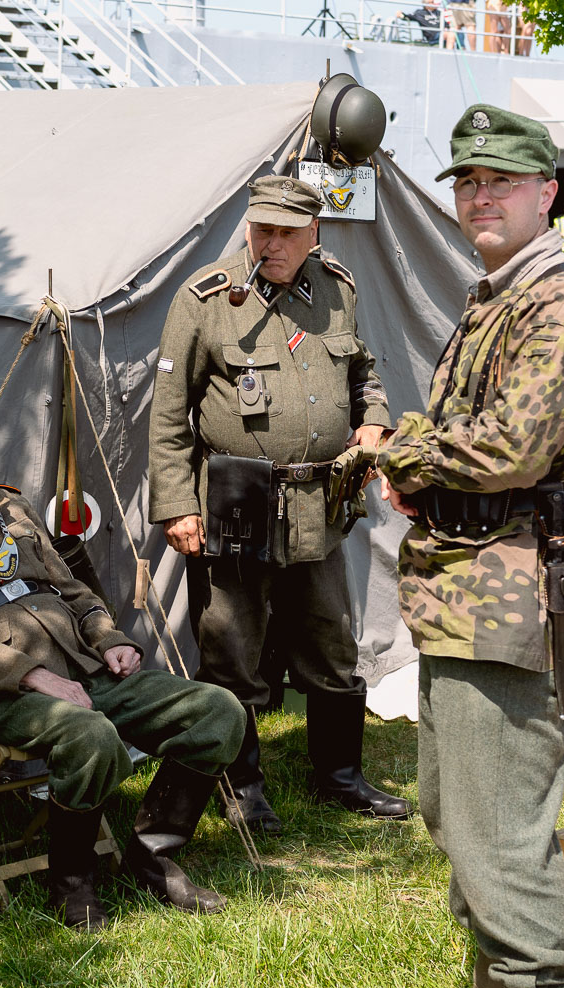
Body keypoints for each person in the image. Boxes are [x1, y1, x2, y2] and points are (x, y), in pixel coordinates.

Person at [375, 104, 564, 988]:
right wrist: (423, 451)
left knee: (499, 823)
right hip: (465, 583)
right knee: (452, 804)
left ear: (546, 195)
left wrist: (399, 450)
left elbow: (506, 452)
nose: (478, 197)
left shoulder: (561, 304)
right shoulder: (497, 296)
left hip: (512, 589)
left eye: (500, 182)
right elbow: (465, 435)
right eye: (466, 182)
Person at [0, 388, 245, 932]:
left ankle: (152, 853)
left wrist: (109, 638)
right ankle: (73, 879)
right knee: (89, 737)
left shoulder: (10, 508)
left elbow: (74, 591)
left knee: (218, 711)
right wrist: (34, 676)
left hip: (83, 671)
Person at [147, 174, 411, 836]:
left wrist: (374, 419)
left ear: (314, 234)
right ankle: (242, 786)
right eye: (262, 230)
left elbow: (365, 375)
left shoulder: (338, 290)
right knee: (233, 647)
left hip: (320, 500)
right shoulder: (205, 299)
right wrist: (179, 505)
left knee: (329, 640)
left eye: (287, 234)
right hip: (238, 497)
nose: (273, 244)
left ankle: (341, 777)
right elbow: (170, 414)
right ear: (248, 227)